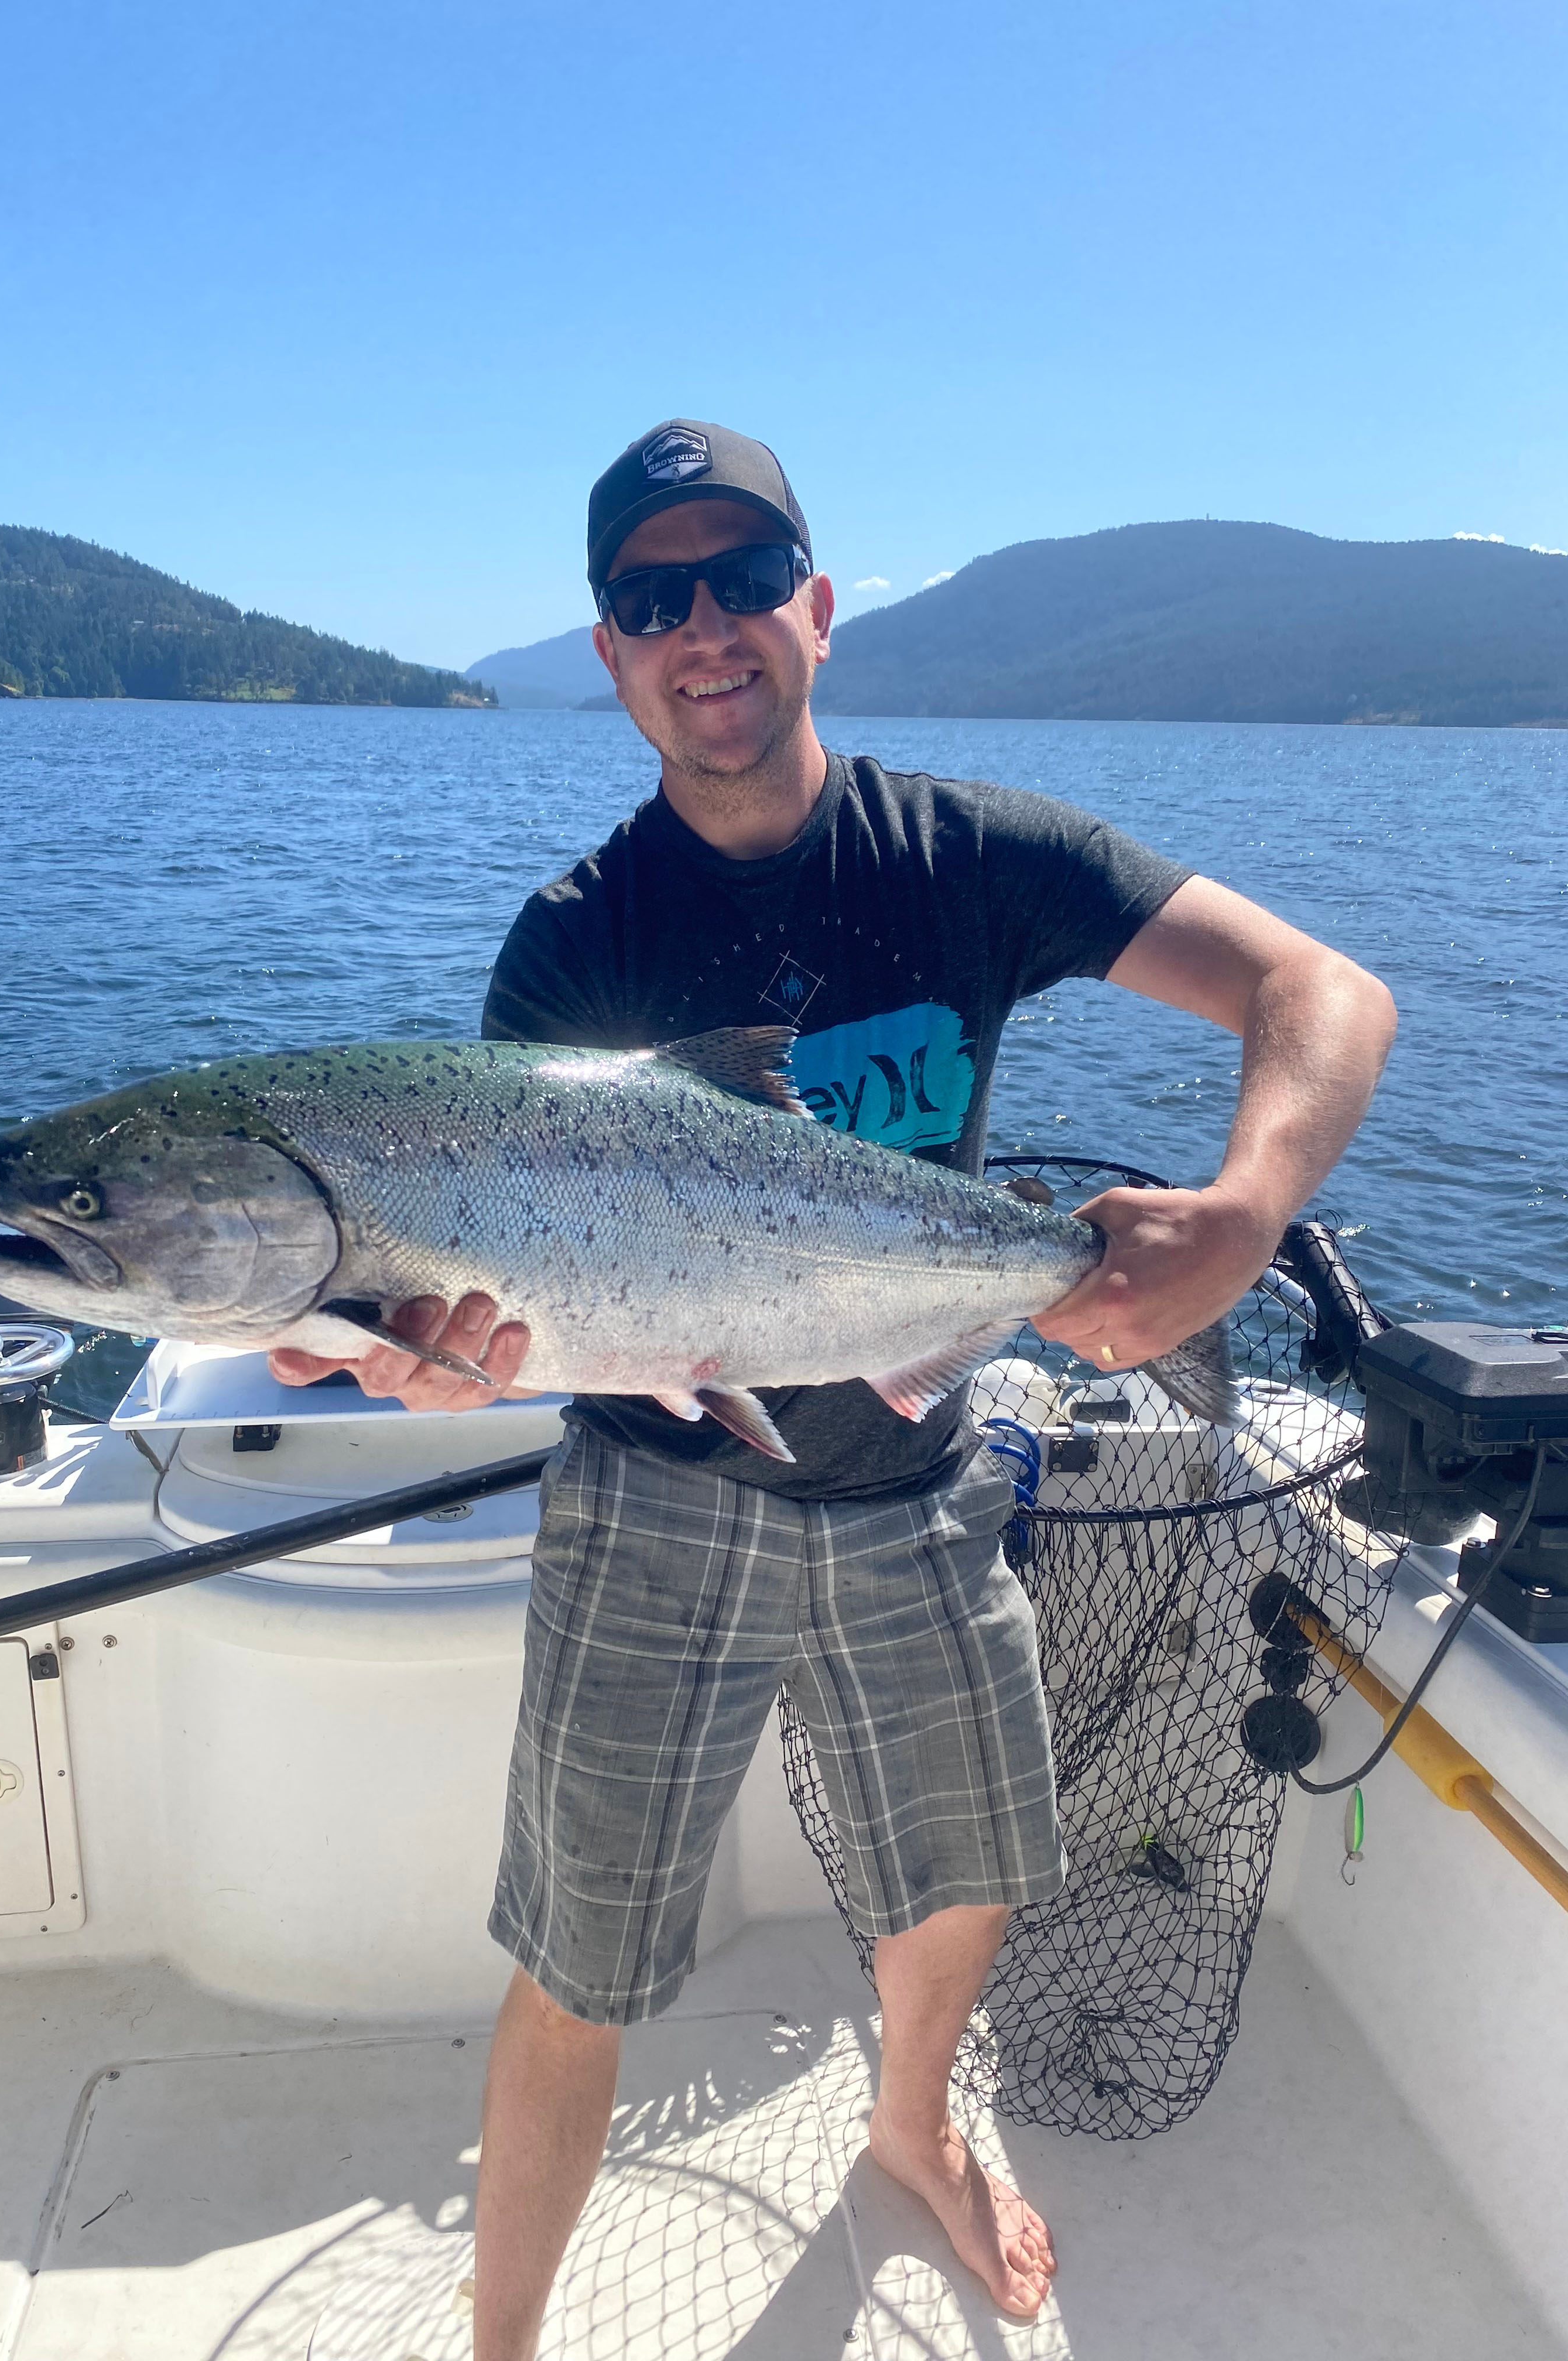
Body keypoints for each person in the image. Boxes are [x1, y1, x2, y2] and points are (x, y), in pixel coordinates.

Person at [271, 419, 1396, 2357]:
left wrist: (1233, 1214)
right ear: (612, 651)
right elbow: (488, 1304)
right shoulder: (570, 944)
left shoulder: (973, 857)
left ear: (816, 603)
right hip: (651, 1489)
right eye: (647, 598)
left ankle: (911, 2131)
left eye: (735, 580)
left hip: (925, 1467)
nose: (697, 626)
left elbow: (1329, 996)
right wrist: (424, 1364)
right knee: (579, 1953)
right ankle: (507, 2338)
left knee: (971, 1865)